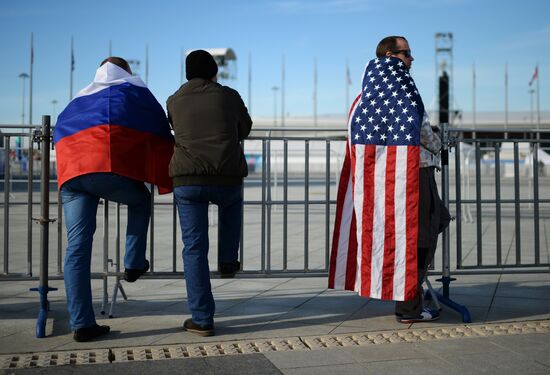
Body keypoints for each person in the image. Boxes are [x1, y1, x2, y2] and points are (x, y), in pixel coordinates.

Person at [53, 57, 174, 342]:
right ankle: (133, 263)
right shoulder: (133, 91)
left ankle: (82, 323)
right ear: (127, 72)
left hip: (71, 175)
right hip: (103, 170)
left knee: (77, 249)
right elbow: (158, 129)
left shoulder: (79, 97)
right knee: (141, 200)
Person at [167, 50, 252, 337]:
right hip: (226, 174)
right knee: (231, 205)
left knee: (194, 248)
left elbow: (175, 127)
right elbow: (246, 128)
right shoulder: (229, 95)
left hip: (188, 179)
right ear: (214, 71)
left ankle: (202, 318)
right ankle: (228, 260)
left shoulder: (173, 100)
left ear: (188, 73)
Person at [375, 36, 444, 323]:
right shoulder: (404, 89)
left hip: (392, 175)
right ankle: (409, 305)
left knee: (407, 237)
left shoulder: (372, 90)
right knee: (423, 236)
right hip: (417, 172)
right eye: (407, 53)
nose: (412, 59)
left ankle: (408, 299)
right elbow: (424, 131)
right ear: (392, 55)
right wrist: (440, 144)